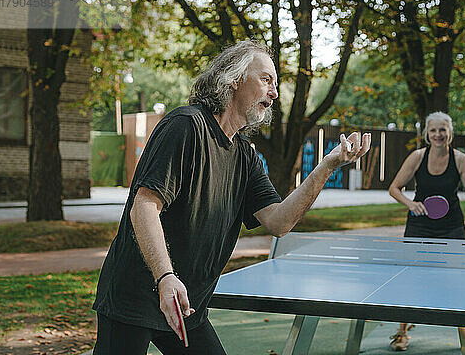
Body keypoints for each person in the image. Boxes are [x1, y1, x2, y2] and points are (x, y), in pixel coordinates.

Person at [92, 40, 371, 355]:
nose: (275, 92)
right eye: (265, 79)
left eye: (276, 83)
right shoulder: (186, 125)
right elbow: (144, 207)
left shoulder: (244, 155)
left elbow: (278, 222)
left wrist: (327, 165)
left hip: (188, 304)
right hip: (137, 295)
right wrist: (165, 277)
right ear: (233, 78)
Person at [387, 111, 465, 351]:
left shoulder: (460, 160)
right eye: (433, 130)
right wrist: (410, 204)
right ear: (427, 134)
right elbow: (394, 188)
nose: (438, 134)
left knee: (458, 281)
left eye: (442, 130)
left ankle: (464, 334)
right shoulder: (417, 157)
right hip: (419, 224)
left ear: (450, 133)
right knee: (409, 278)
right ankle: (402, 332)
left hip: (451, 226)